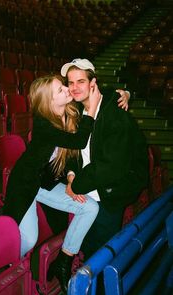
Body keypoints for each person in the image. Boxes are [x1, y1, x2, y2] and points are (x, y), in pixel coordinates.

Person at [36, 58, 149, 291]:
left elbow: (111, 167)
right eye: (70, 82)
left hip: (110, 192)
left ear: (92, 83)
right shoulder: (76, 111)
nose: (75, 87)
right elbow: (74, 154)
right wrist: (70, 177)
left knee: (102, 254)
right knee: (89, 250)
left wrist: (75, 187)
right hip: (88, 190)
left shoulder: (114, 112)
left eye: (81, 81)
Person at [3, 74, 101, 263]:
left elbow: (72, 155)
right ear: (50, 100)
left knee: (90, 207)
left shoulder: (70, 113)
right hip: (25, 183)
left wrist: (125, 93)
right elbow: (79, 142)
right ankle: (6, 264)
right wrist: (92, 111)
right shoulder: (43, 125)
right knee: (29, 239)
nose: (67, 89)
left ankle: (63, 261)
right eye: (61, 89)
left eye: (64, 86)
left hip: (46, 182)